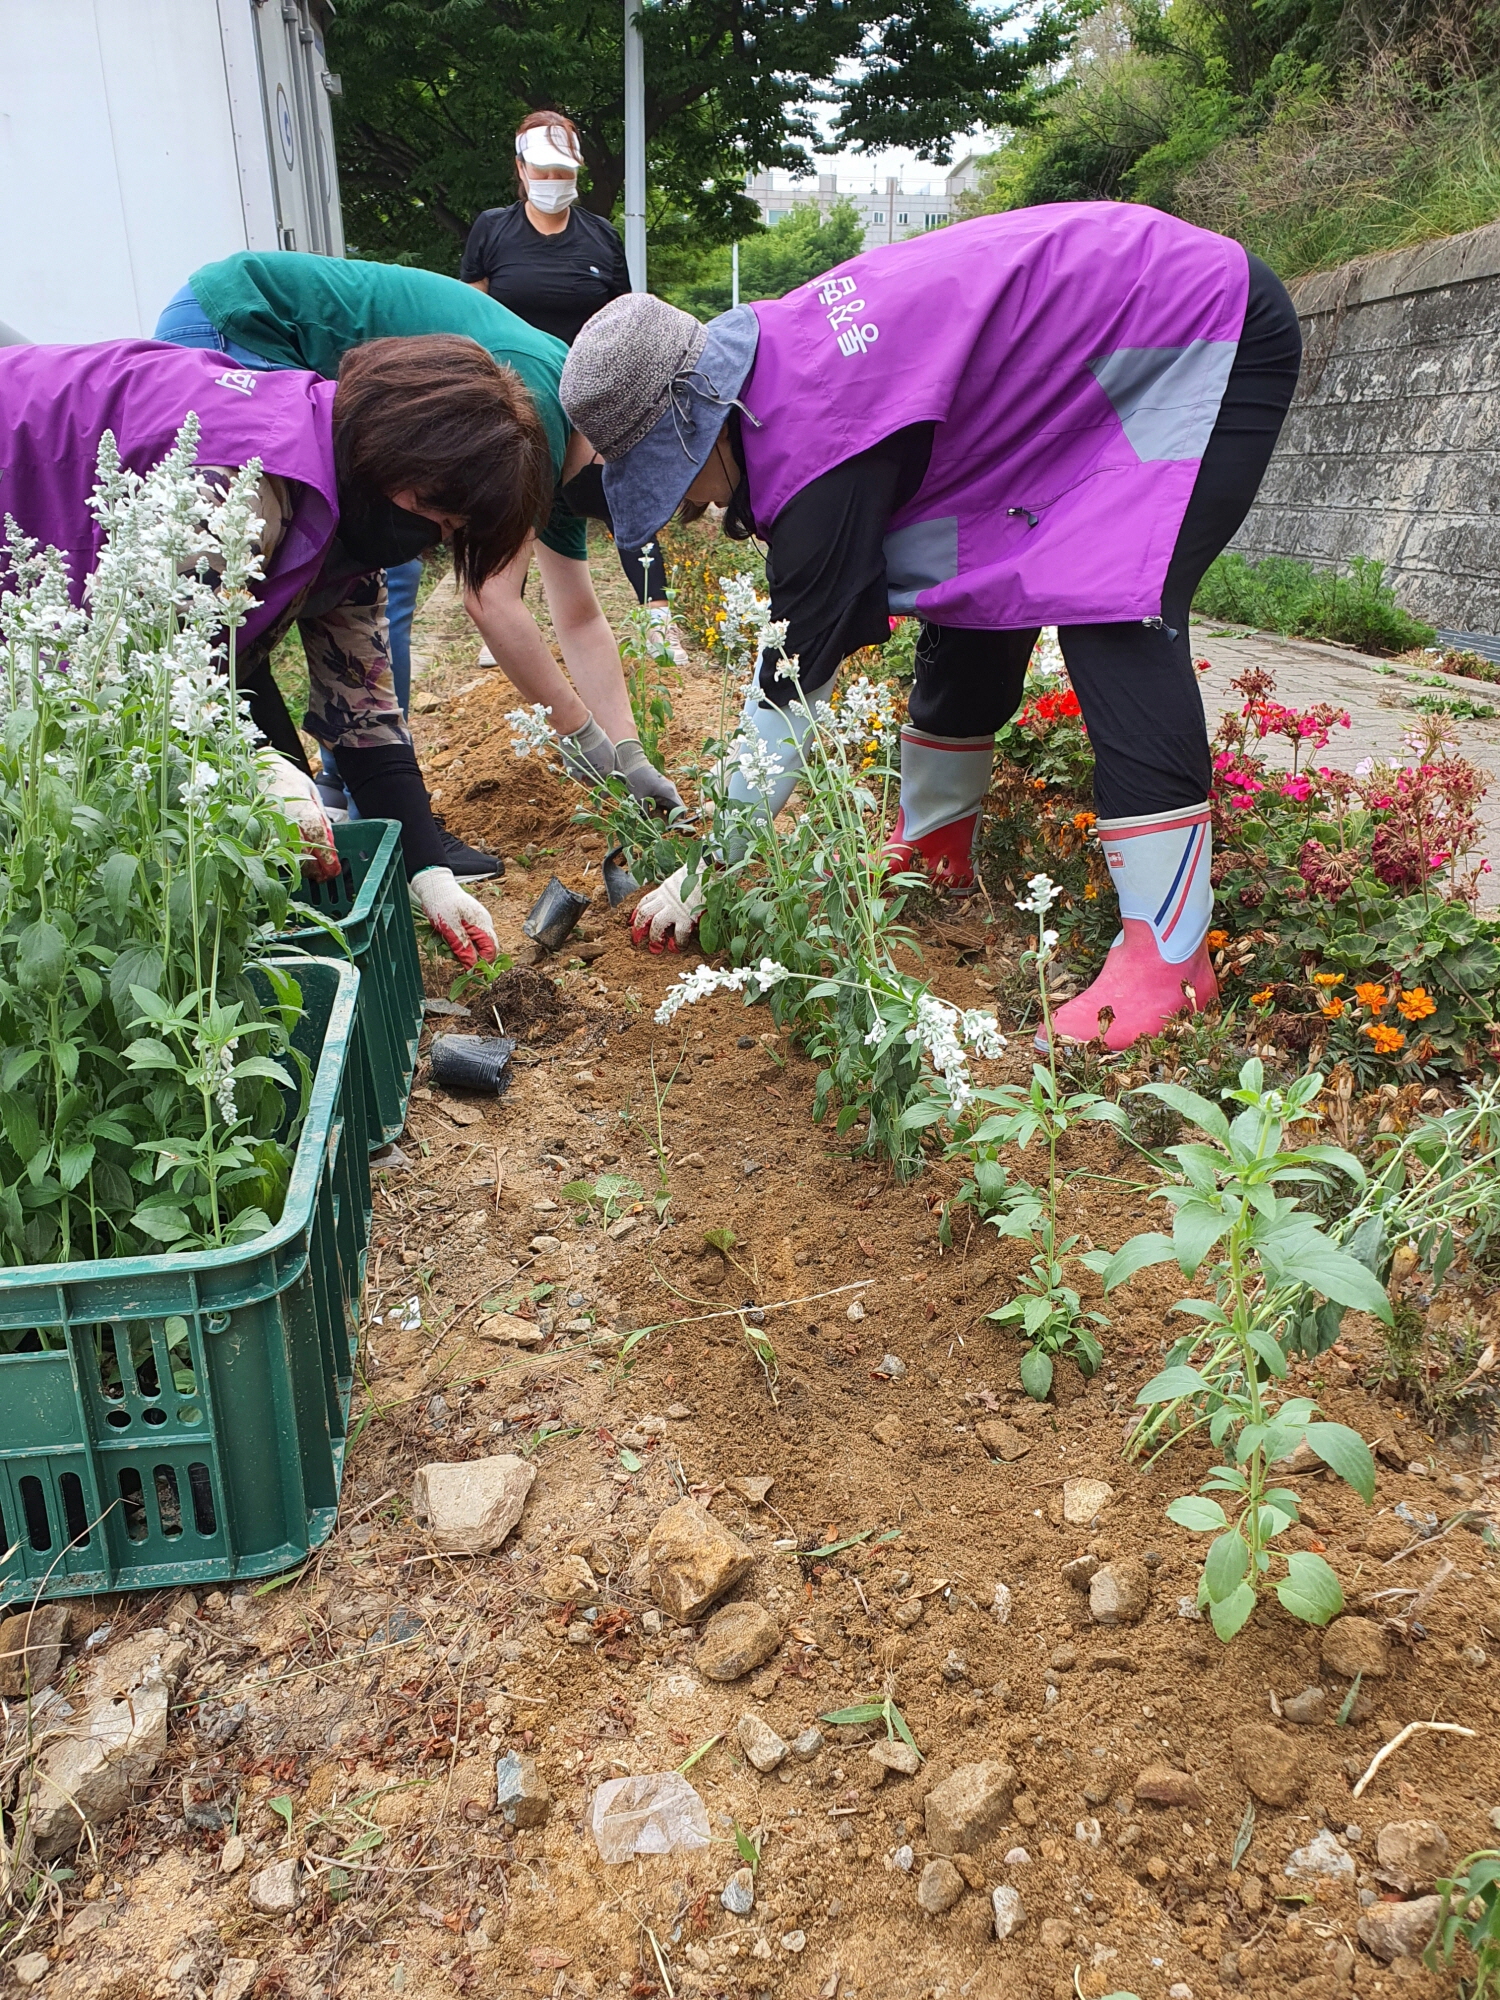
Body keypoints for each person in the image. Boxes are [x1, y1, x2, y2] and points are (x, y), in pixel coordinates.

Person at [558, 203, 1303, 1051]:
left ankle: (1170, 961)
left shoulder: (817, 446)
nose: (694, 507)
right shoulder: (779, 372)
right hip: (1091, 343)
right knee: (978, 580)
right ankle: (939, 840)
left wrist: (711, 864)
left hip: (1189, 326)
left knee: (1110, 601)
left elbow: (792, 684)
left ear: (705, 422)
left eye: (680, 482)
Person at [0, 334, 554, 967]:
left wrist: (429, 874)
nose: (427, 549)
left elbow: (363, 717)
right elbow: (152, 678)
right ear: (403, 465)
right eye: (444, 526)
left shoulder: (350, 504)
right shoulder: (235, 488)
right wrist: (262, 769)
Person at [153, 252, 683, 826]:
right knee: (272, 582)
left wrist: (627, 751)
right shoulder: (538, 415)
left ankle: (366, 808)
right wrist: (581, 734)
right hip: (243, 321)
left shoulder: (569, 447)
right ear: (618, 447)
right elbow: (492, 602)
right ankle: (366, 808)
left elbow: (578, 616)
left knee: (367, 569)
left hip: (260, 324)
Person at [461, 110, 691, 666]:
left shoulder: (601, 238)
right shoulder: (492, 230)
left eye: (564, 172)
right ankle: (506, 623)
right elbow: (468, 312)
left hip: (586, 395)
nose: (554, 182)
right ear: (520, 168)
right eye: (542, 170)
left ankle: (657, 618)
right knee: (513, 502)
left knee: (620, 494)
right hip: (512, 394)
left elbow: (623, 323)